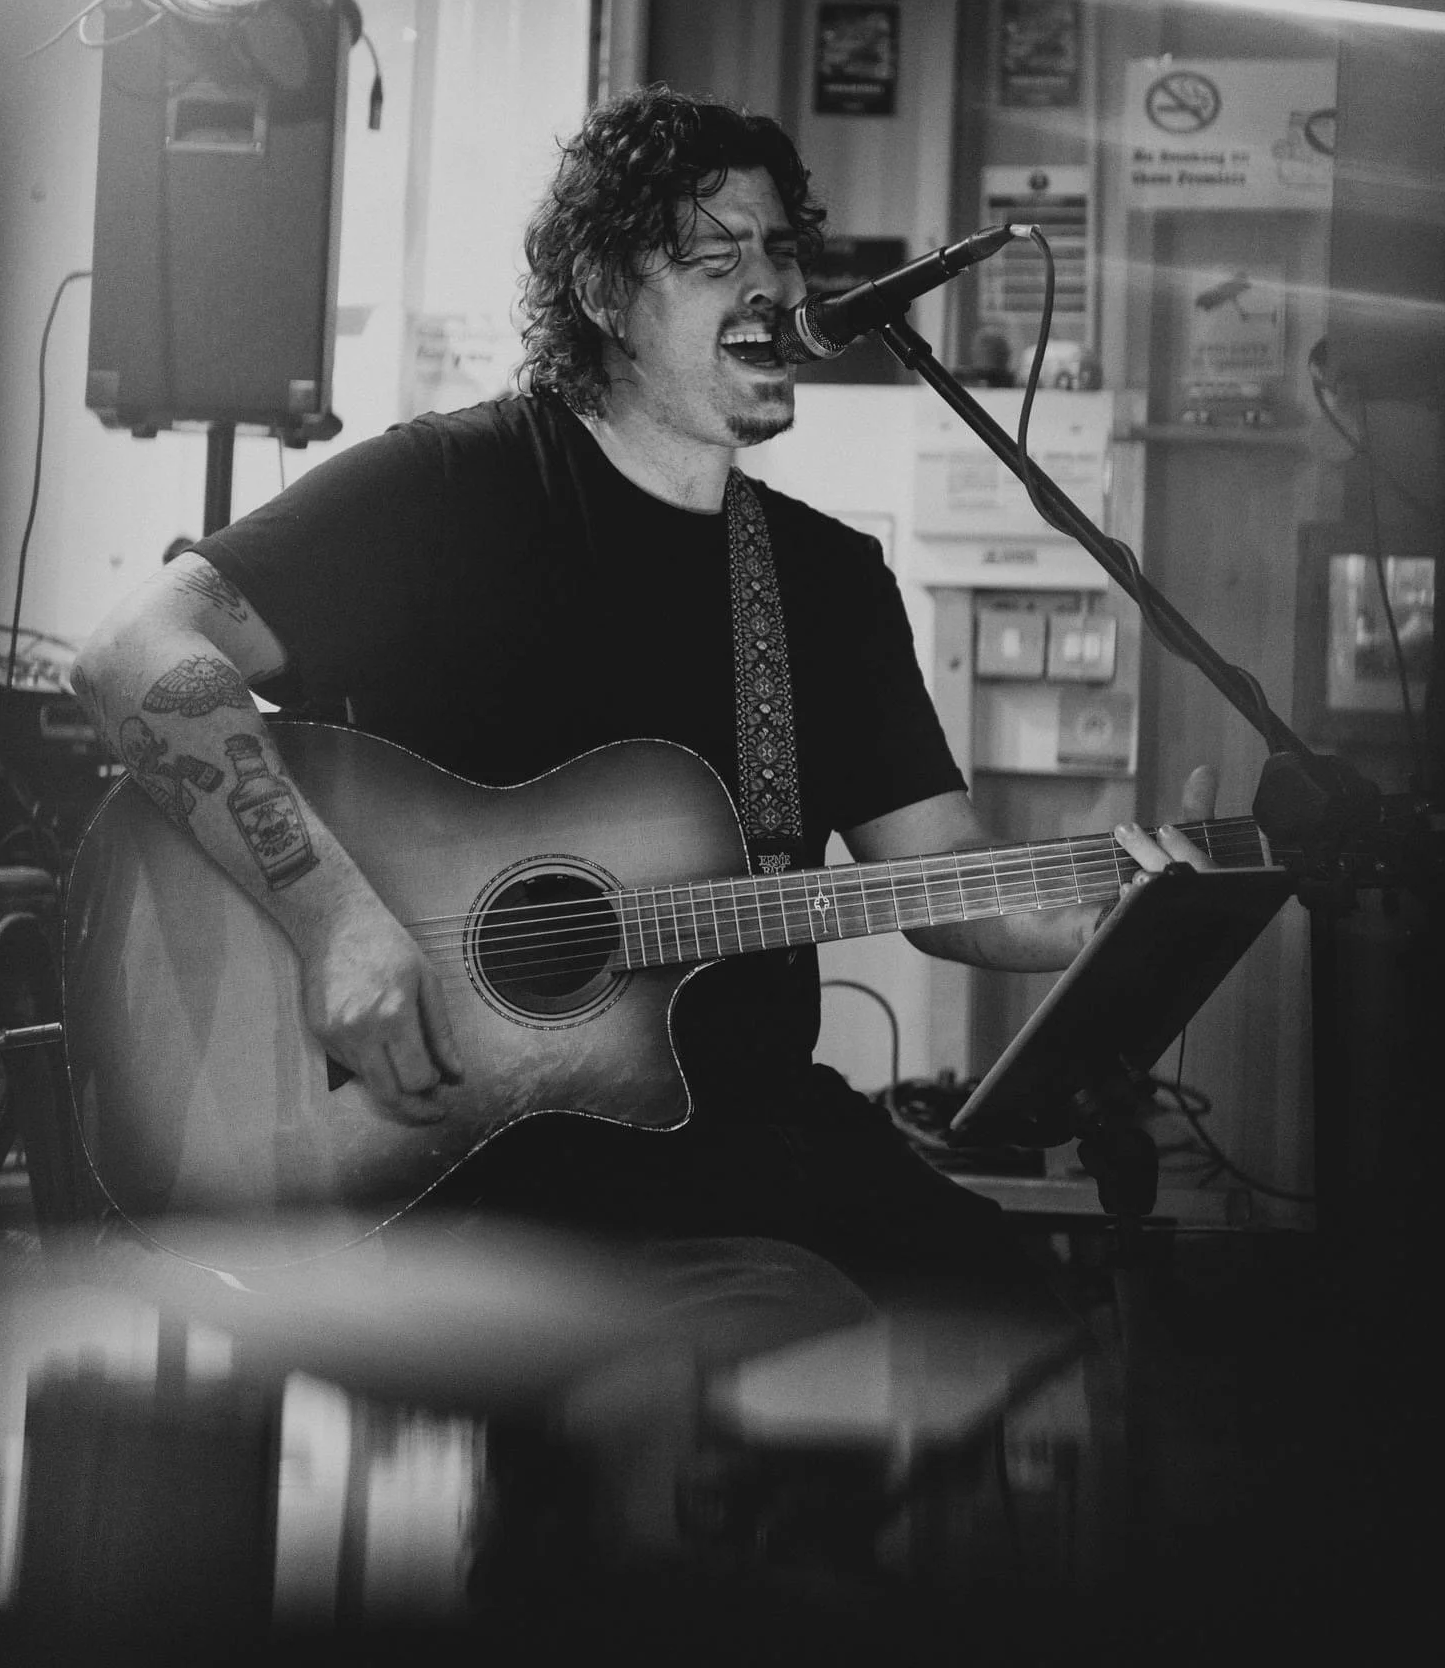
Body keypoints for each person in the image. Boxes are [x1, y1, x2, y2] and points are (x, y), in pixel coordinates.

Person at [70, 83, 1213, 1303]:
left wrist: (1105, 921)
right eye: (714, 257)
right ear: (606, 294)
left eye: (780, 249)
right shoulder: (449, 494)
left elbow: (945, 878)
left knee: (1019, 1308)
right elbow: (134, 650)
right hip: (464, 1154)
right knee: (755, 1342)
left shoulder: (825, 582)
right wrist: (333, 915)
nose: (769, 286)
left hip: (743, 1135)